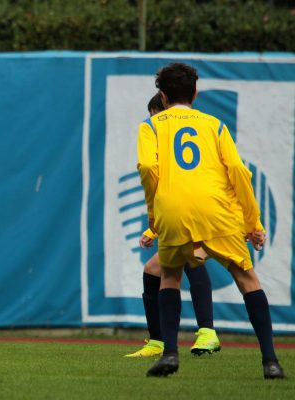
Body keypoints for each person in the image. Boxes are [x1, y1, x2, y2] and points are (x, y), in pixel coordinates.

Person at [137, 62, 285, 379]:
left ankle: (170, 354)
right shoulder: (214, 125)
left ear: (162, 96)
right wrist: (253, 223)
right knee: (247, 280)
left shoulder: (150, 127)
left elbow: (148, 167)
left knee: (170, 277)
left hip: (173, 208)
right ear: (195, 92)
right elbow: (238, 172)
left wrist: (155, 211)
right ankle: (270, 361)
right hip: (219, 210)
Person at [125, 93, 220, 358]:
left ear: (164, 108)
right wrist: (151, 230)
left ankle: (207, 332)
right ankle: (158, 341)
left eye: (156, 115)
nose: (155, 122)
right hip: (196, 209)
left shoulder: (166, 131)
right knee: (154, 269)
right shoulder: (200, 128)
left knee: (193, 259)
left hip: (202, 211)